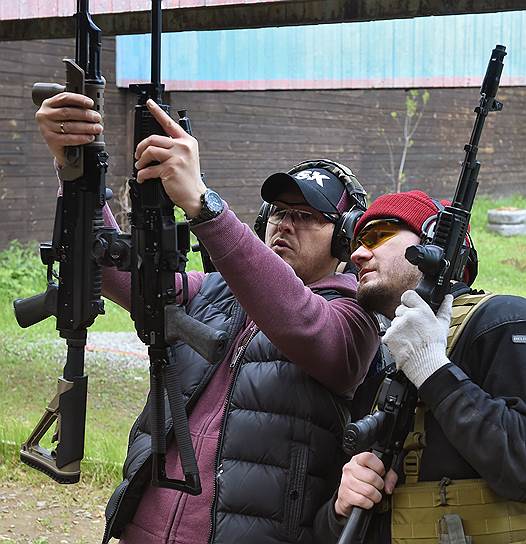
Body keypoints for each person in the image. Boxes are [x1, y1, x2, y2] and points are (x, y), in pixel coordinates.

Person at [35, 92, 379, 544]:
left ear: (345, 238)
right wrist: (75, 166)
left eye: (306, 216)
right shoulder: (213, 292)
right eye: (278, 212)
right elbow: (117, 272)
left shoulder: (354, 320)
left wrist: (204, 206)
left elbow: (300, 321)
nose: (284, 225)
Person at [318, 190, 526, 543]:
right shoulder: (379, 359)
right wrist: (340, 508)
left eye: (378, 235)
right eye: (356, 241)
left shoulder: (501, 321)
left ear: (433, 243)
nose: (356, 253)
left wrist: (433, 372)